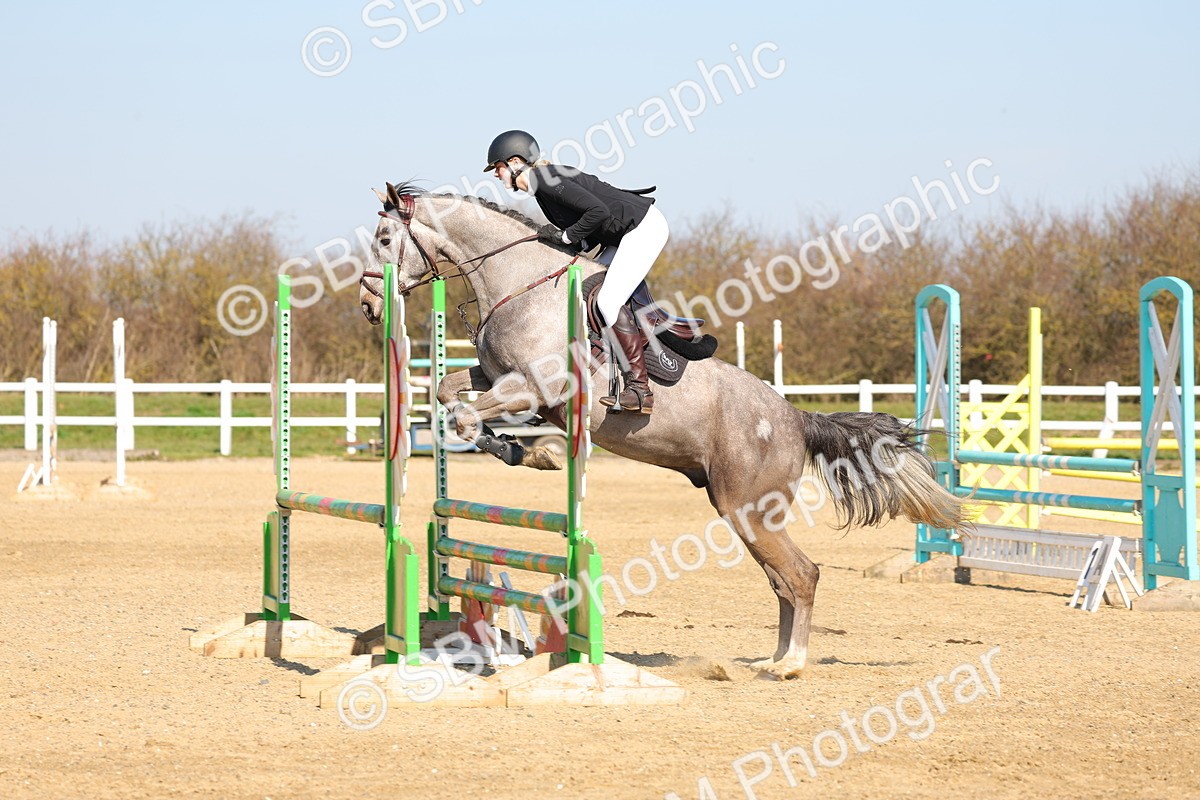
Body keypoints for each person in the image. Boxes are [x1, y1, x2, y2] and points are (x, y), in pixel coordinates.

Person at [484, 129, 668, 415]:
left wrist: (566, 238)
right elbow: (589, 225)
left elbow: (597, 212)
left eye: (498, 167)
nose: (496, 174)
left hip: (642, 229)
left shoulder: (544, 180)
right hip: (622, 235)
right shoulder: (540, 187)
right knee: (587, 290)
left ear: (515, 161)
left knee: (608, 301)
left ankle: (640, 389)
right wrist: (568, 240)